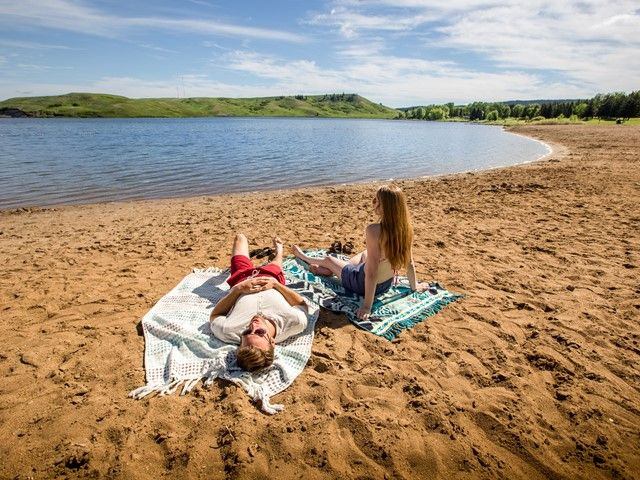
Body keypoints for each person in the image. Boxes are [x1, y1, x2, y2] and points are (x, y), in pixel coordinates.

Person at [293, 184, 431, 321]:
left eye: (376, 200)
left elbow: (371, 273)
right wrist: (415, 286)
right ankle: (332, 270)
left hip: (360, 283)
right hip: (386, 285)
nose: (373, 203)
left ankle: (304, 257)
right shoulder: (406, 230)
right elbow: (409, 262)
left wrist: (366, 307)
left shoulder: (374, 231)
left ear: (385, 207)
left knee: (329, 259)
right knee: (365, 254)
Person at [210, 234, 308, 372]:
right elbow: (302, 304)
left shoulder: (228, 331)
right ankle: (279, 249)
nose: (253, 325)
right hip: (270, 277)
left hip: (241, 278)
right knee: (276, 264)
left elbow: (215, 315)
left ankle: (271, 252)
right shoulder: (294, 322)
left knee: (240, 237)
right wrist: (276, 285)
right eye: (260, 332)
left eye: (247, 331)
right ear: (272, 343)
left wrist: (238, 290)